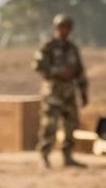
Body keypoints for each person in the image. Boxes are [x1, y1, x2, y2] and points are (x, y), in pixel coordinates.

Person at [32, 13, 87, 168]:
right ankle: (44, 156)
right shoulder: (48, 46)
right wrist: (58, 71)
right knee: (50, 125)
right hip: (53, 92)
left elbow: (80, 71)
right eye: (62, 27)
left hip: (69, 92)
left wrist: (83, 92)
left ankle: (68, 156)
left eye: (67, 27)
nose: (65, 30)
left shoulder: (72, 48)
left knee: (71, 124)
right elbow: (37, 65)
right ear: (56, 28)